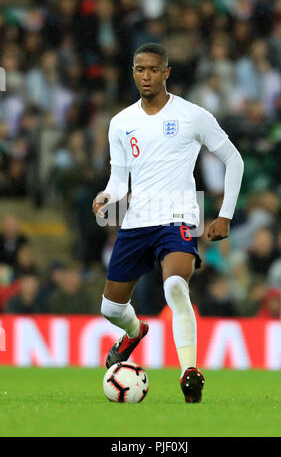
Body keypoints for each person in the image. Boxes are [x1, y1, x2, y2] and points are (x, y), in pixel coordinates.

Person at [92, 43, 244, 404]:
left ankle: (189, 372)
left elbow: (234, 160)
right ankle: (134, 331)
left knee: (175, 285)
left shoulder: (193, 115)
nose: (146, 76)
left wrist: (225, 215)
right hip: (137, 219)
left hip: (179, 216)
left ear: (166, 72)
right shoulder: (120, 123)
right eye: (139, 69)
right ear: (133, 72)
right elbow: (118, 181)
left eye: (153, 70)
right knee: (111, 309)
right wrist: (106, 198)